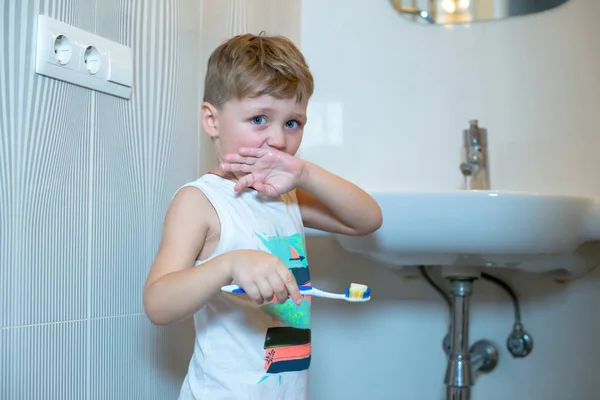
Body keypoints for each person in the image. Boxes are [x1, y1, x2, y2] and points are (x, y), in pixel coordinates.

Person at [142, 32, 383, 400]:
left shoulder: (287, 196)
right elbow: (157, 303)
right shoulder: (201, 201)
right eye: (259, 119)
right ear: (212, 120)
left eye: (292, 123)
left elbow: (367, 219)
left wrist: (305, 174)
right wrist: (229, 264)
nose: (278, 140)